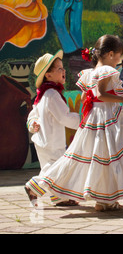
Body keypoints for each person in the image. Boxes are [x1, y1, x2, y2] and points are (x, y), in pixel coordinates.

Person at [38, 35, 123, 211]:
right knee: (110, 156)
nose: (119, 61)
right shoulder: (107, 71)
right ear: (110, 54)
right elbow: (100, 94)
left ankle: (104, 200)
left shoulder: (88, 74)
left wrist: (90, 109)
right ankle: (105, 199)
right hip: (106, 118)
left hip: (94, 119)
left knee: (98, 157)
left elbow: (85, 97)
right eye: (119, 56)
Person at [25, 50, 81, 207]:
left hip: (42, 140)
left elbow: (32, 115)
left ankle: (60, 197)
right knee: (58, 169)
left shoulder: (42, 95)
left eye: (63, 68)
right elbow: (63, 117)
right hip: (52, 141)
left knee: (50, 169)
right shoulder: (52, 94)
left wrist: (32, 123)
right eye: (59, 69)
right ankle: (34, 187)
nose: (63, 71)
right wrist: (80, 120)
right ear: (48, 75)